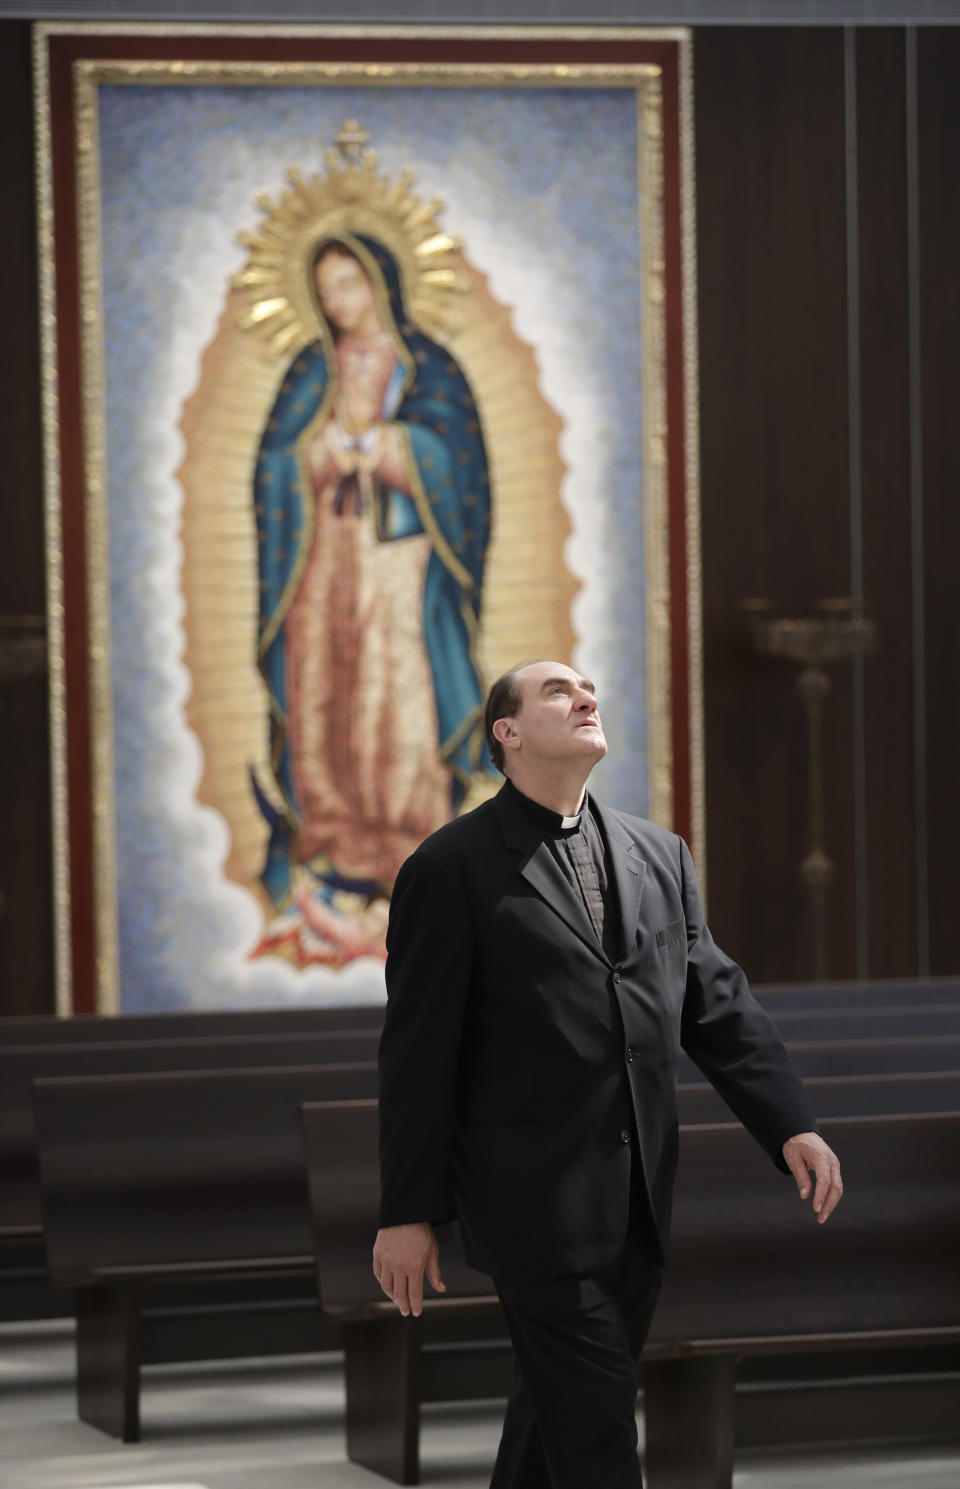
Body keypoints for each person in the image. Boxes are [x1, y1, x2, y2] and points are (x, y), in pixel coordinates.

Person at [374, 658, 843, 1489]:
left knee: (552, 1423)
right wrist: (410, 1211)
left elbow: (717, 1003)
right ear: (506, 734)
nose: (586, 696)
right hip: (529, 1204)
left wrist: (789, 1122)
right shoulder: (450, 869)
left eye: (589, 686)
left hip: (637, 1198)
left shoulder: (659, 854)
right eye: (558, 690)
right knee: (596, 1437)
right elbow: (417, 1055)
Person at [250, 233, 493, 965]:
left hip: (400, 562)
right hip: (323, 561)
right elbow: (273, 464)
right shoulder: (308, 371)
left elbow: (461, 462)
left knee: (397, 699)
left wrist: (394, 448)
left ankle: (411, 856)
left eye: (349, 284)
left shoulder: (431, 370)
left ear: (381, 283)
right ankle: (332, 850)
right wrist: (315, 455)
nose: (337, 302)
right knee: (326, 691)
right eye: (326, 290)